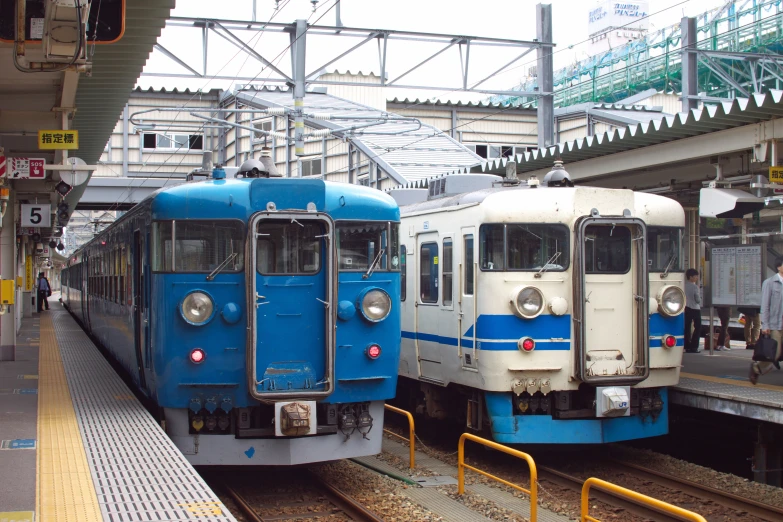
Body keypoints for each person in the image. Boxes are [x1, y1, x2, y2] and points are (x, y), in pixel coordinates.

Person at [750, 257, 783, 384]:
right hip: (775, 325)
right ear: (779, 267)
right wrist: (765, 325)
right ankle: (756, 368)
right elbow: (765, 306)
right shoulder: (769, 283)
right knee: (774, 354)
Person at [684, 268, 702, 353]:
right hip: (695, 308)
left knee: (687, 327)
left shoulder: (684, 285)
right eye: (695, 276)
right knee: (697, 327)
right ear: (690, 277)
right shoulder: (695, 287)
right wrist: (700, 300)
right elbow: (697, 299)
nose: (697, 278)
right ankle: (694, 347)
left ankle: (686, 346)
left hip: (686, 308)